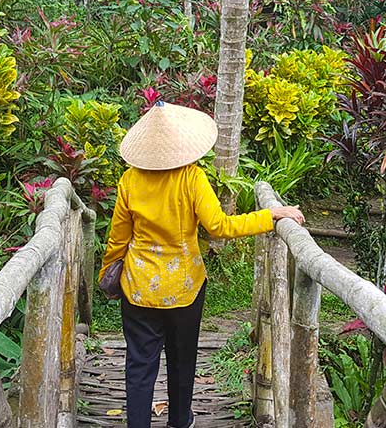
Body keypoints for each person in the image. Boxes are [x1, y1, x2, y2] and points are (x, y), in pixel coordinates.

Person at [98, 102, 305, 428]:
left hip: (138, 287)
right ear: (182, 144)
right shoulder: (192, 178)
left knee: (139, 364)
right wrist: (271, 215)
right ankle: (180, 421)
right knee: (182, 359)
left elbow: (117, 238)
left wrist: (108, 272)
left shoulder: (129, 180)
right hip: (184, 287)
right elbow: (220, 227)